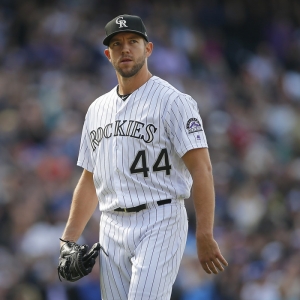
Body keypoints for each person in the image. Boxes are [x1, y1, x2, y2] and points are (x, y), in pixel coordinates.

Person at [60, 14, 228, 300]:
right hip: (110, 224)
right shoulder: (96, 110)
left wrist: (204, 232)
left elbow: (202, 169)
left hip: (160, 218)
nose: (125, 49)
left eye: (133, 42)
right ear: (107, 54)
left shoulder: (174, 102)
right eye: (117, 44)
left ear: (148, 49)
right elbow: (90, 178)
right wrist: (68, 240)